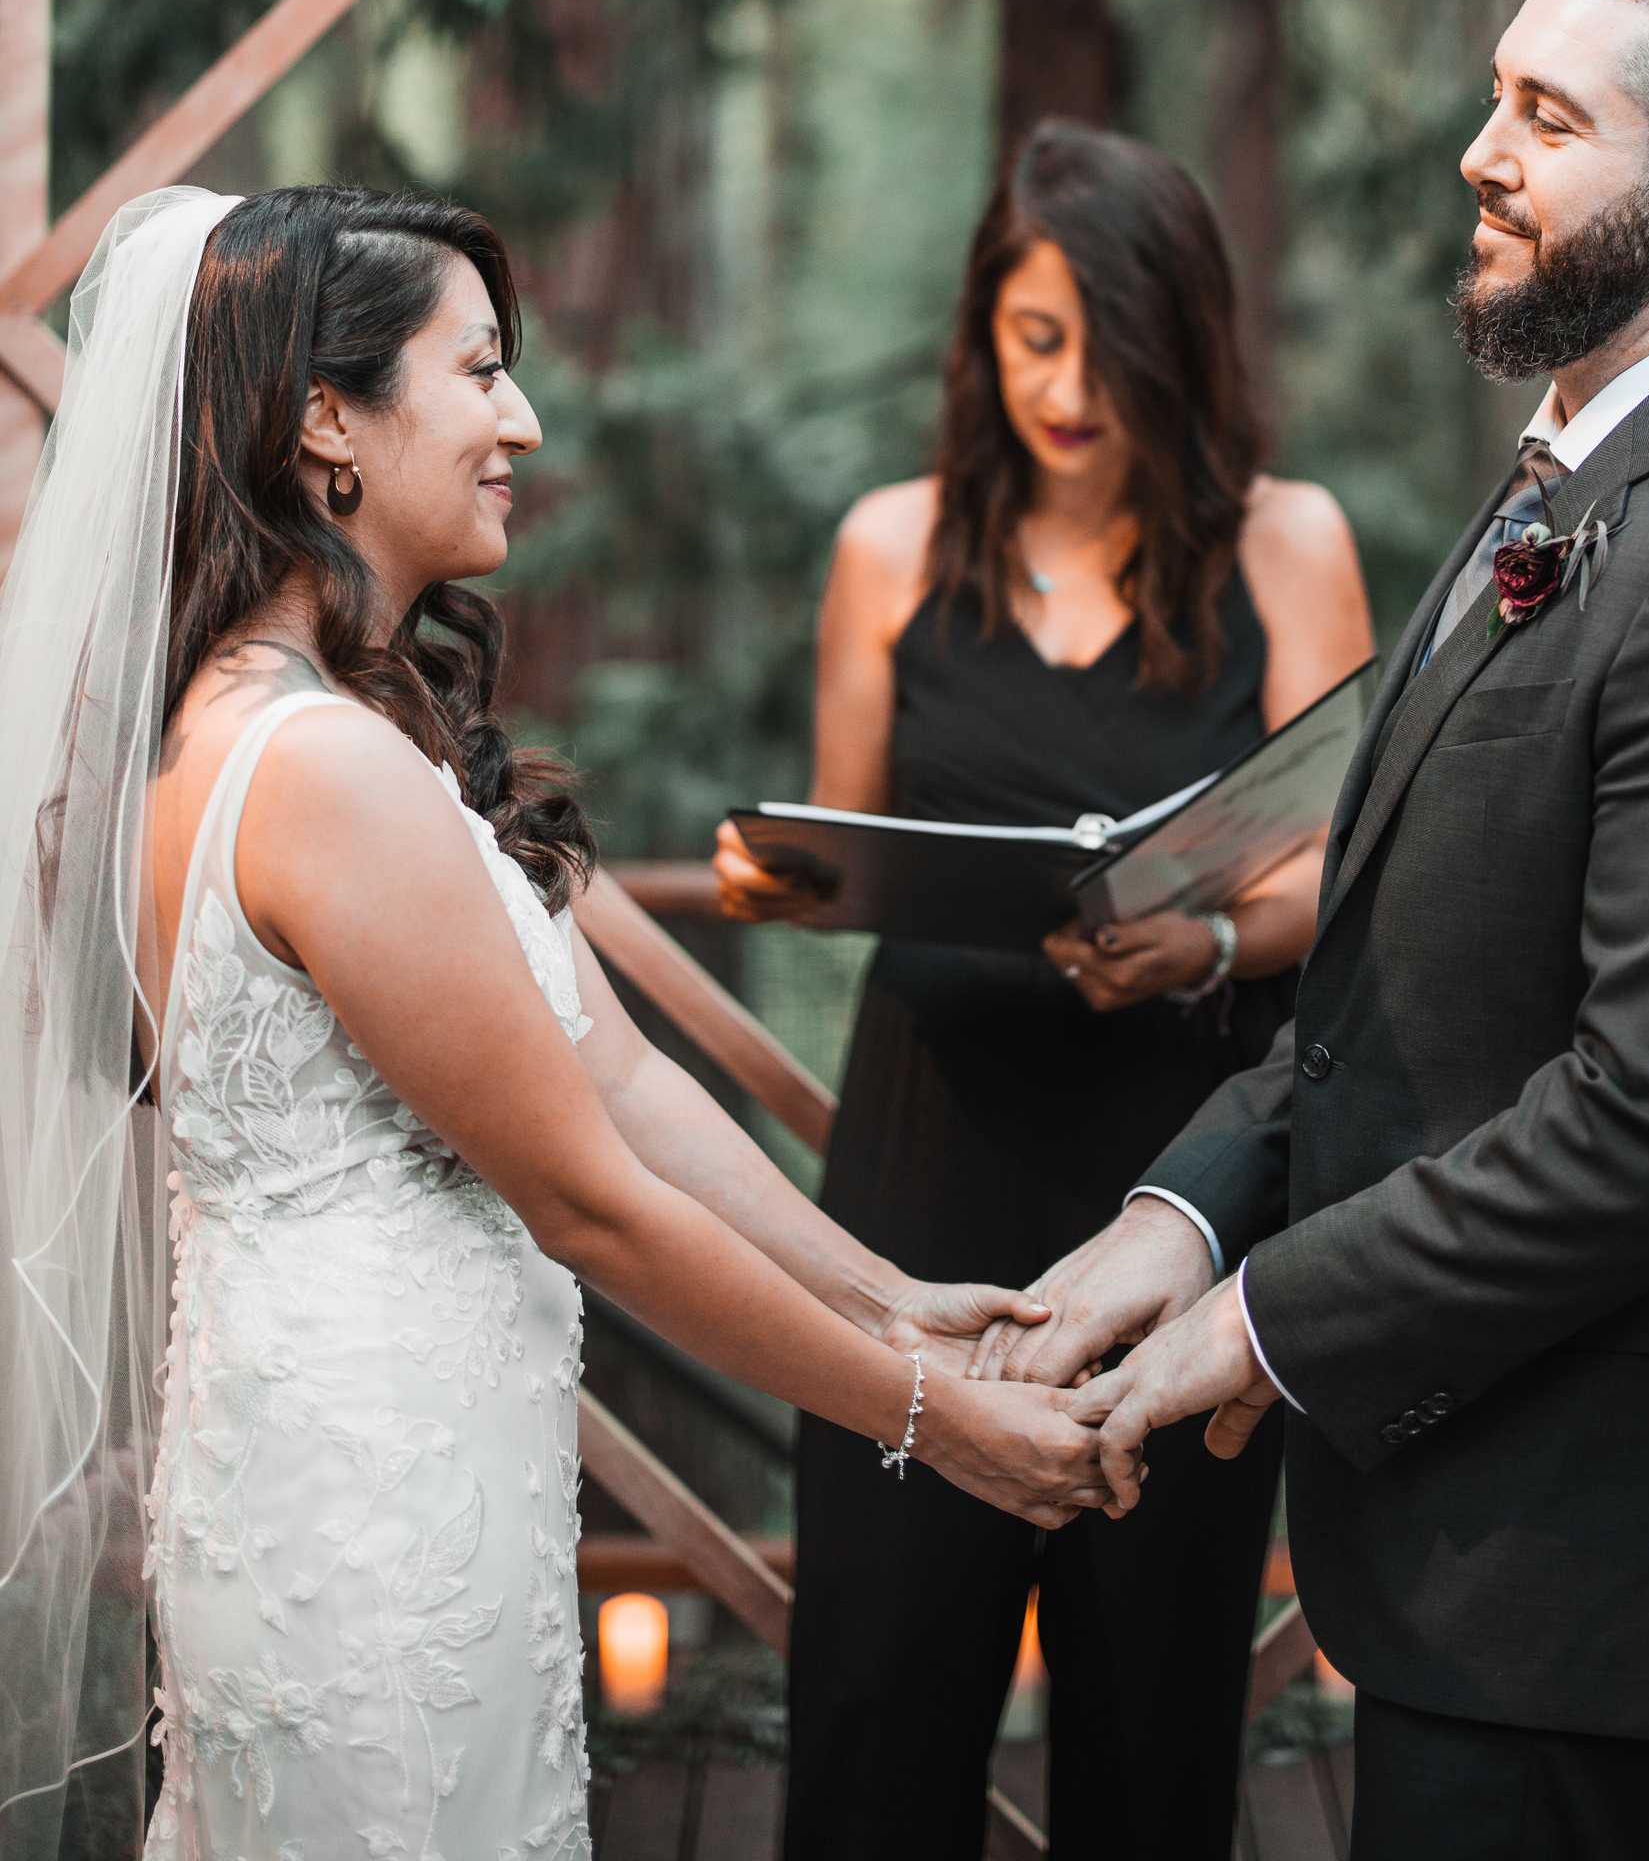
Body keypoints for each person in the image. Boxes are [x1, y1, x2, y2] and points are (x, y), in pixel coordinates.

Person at [988, 0, 1649, 1861]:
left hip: (1600, 1552)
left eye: (1547, 115)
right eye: (1491, 95)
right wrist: (1178, 1217)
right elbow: (1408, 977)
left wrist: (1263, 1322)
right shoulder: (1575, 479)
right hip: (1485, 1530)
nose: (1479, 151)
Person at [0, 184, 1104, 1861]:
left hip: (399, 1464)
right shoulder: (318, 770)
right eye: (479, 370)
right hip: (370, 1519)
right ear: (328, 423)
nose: (520, 419)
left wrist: (897, 1301)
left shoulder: (327, 720)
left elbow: (620, 1073)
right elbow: (587, 1194)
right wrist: (934, 1427)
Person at [714, 117, 1373, 1861]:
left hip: (1188, 1157)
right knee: (880, 1672)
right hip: (927, 1159)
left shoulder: (1287, 546)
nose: (1069, 388)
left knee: (1155, 1695)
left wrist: (1214, 940)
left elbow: (1351, 860)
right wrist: (804, 870)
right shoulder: (890, 546)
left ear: (1183, 338)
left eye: (1106, 344)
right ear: (978, 336)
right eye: (1031, 339)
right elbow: (848, 834)